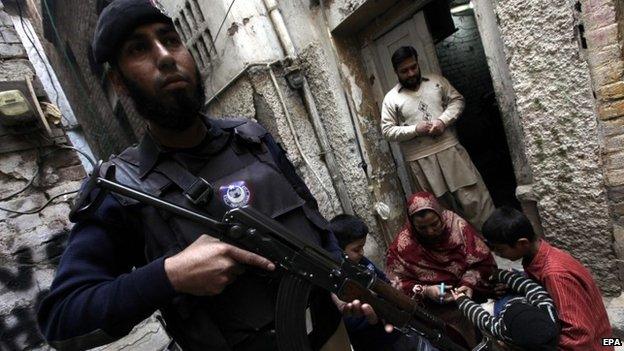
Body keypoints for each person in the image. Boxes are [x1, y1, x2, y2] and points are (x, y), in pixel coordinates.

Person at [36, 1, 377, 350]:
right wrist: (169, 275)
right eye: (139, 49)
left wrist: (339, 280)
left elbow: (314, 220)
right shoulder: (122, 189)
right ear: (118, 83)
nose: (165, 57)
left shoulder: (253, 138)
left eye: (170, 40)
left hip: (332, 337)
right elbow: (62, 319)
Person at [380, 46, 494, 230]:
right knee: (440, 209)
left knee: (473, 198)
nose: (410, 73)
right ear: (396, 72)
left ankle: (493, 240)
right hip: (420, 160)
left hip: (450, 149)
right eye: (404, 71)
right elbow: (387, 131)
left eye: (413, 67)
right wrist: (415, 129)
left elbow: (457, 100)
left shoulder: (436, 81)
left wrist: (443, 121)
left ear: (417, 63)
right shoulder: (391, 98)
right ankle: (462, 250)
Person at [481, 207, 613, 351]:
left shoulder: (555, 275)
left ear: (522, 243)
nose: (497, 254)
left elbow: (579, 338)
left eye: (500, 250)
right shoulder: (538, 256)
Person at [386, 192, 496, 347]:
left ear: (441, 216)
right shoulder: (403, 246)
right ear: (412, 224)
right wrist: (425, 291)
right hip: (432, 306)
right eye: (422, 228)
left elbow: (484, 262)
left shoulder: (457, 227)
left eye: (434, 224)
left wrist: (468, 283)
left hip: (469, 293)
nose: (430, 232)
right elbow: (395, 285)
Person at [329, 214, 437, 351]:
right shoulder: (338, 281)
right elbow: (351, 322)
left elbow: (383, 281)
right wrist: (379, 308)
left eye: (362, 247)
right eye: (356, 249)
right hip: (376, 343)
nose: (362, 252)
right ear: (339, 251)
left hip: (398, 333)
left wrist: (392, 289)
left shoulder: (362, 263)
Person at [450, 269, 560, 350]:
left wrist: (462, 300)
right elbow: (530, 287)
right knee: (518, 274)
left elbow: (483, 319)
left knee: (485, 309)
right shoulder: (548, 312)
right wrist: (501, 274)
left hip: (502, 309)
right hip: (522, 299)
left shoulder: (506, 332)